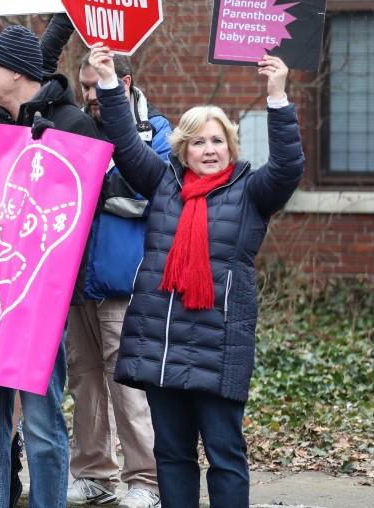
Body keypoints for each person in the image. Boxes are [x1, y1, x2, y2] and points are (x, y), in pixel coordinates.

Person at [87, 46, 303, 508]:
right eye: (199, 141)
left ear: (231, 147)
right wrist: (108, 82)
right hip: (162, 348)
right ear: (183, 149)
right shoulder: (164, 183)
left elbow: (288, 167)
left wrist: (278, 95)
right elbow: (125, 144)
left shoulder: (251, 192)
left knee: (225, 455)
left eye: (218, 140)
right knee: (172, 456)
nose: (209, 149)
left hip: (218, 348)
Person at [0, 24, 99, 508]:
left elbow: (85, 213)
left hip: (40, 303)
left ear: (18, 73)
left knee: (42, 424)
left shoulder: (73, 124)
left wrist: (53, 153)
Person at [67, 53, 169, 508]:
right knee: (83, 381)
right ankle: (94, 474)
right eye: (83, 86)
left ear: (123, 82)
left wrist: (97, 187)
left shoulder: (158, 130)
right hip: (74, 280)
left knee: (126, 385)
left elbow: (154, 188)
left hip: (123, 282)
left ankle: (145, 479)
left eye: (95, 86)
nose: (88, 95)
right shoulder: (76, 128)